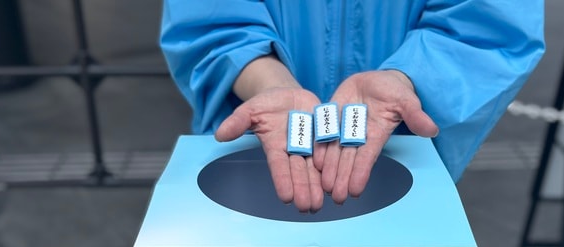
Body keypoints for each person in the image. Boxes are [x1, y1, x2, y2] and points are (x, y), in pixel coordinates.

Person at [160, 1, 544, 212]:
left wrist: (407, 76)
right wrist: (268, 82)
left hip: (399, 149)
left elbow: (490, 23)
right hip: (256, 152)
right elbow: (206, 16)